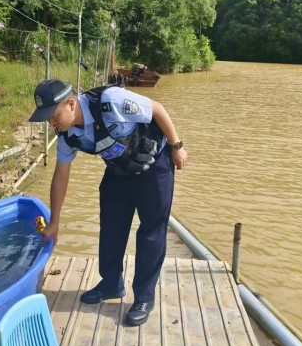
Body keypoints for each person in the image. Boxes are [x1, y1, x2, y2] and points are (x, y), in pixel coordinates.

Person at [29, 78, 187, 326]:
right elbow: (61, 176)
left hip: (154, 165)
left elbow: (157, 109)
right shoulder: (67, 136)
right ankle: (111, 283)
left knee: (151, 233)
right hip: (119, 170)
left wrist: (177, 147)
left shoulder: (111, 101)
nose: (52, 123)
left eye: (54, 115)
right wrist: (55, 221)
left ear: (70, 104)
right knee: (111, 226)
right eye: (48, 119)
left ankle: (144, 297)